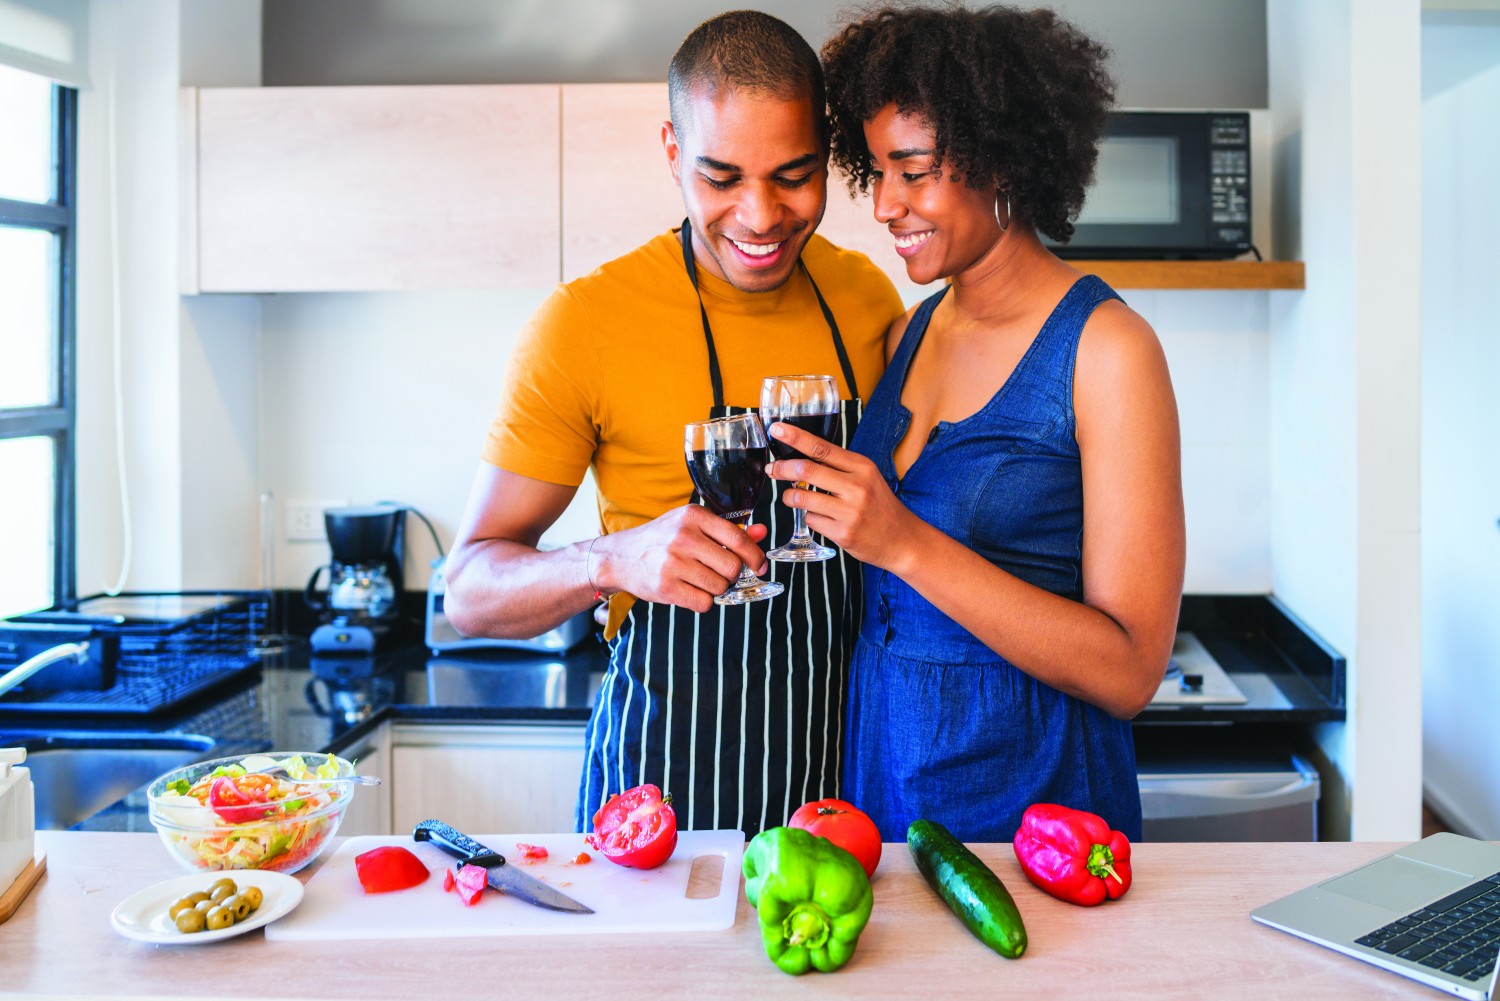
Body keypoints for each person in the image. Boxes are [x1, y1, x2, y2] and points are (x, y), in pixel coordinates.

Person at [443, 10, 903, 837]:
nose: (760, 217)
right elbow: (469, 592)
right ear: (671, 152)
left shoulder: (867, 298)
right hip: (664, 799)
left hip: (847, 791)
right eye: (721, 178)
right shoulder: (584, 323)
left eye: (794, 176)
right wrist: (613, 558)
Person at [766, 4, 1185, 843]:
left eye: (913, 171)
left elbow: (1133, 670)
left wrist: (902, 541)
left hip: (1037, 806)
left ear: (999, 162)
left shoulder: (1108, 350)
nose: (885, 205)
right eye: (876, 171)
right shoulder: (913, 329)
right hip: (887, 784)